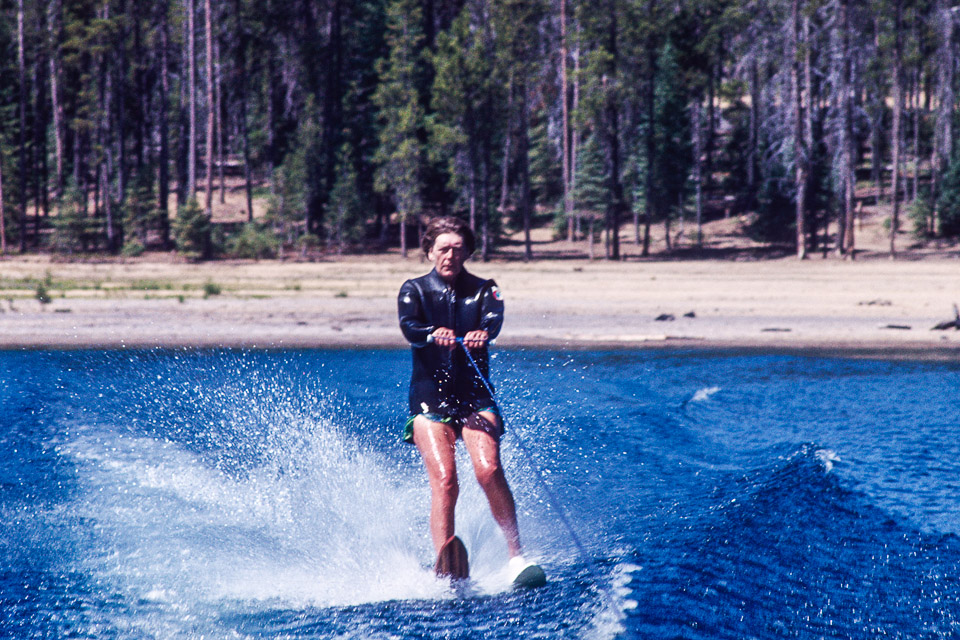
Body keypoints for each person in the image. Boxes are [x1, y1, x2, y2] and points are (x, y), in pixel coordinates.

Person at [398, 216, 531, 579]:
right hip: (430, 402)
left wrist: (482, 333)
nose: (450, 255)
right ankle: (443, 559)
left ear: (468, 252)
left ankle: (516, 556)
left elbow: (494, 319)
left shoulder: (485, 290)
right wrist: (430, 332)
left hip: (475, 398)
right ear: (429, 252)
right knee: (446, 480)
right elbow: (409, 326)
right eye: (443, 248)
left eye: (458, 249)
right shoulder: (414, 290)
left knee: (488, 470)